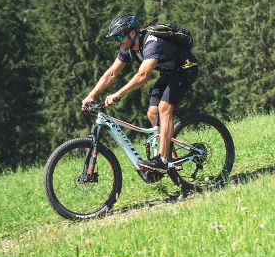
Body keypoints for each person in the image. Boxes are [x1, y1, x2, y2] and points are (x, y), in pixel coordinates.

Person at [81, 13, 199, 172]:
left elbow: (143, 76)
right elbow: (111, 74)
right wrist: (91, 95)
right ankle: (173, 159)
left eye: (118, 38)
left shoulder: (152, 43)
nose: (118, 43)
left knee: (164, 108)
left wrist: (118, 94)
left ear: (132, 33)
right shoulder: (128, 49)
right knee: (152, 113)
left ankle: (162, 159)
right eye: (115, 39)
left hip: (185, 69)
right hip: (169, 72)